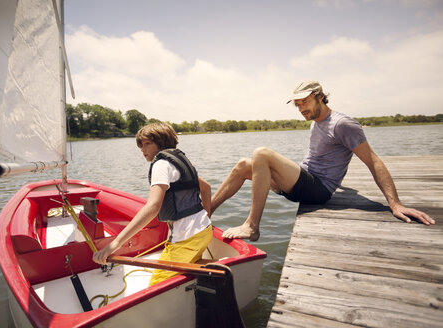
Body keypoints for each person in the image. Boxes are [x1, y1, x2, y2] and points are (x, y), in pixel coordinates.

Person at [211, 80, 435, 241]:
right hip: (302, 182)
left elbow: (373, 161)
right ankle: (206, 212)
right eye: (297, 104)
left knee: (261, 152)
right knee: (242, 165)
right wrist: (347, 189)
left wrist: (395, 204)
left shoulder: (342, 124)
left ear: (320, 96)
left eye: (305, 102)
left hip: (318, 190)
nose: (301, 109)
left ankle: (252, 226)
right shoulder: (316, 122)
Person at [93, 122, 212, 285]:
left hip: (187, 237)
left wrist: (114, 245)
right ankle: (223, 264)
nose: (142, 149)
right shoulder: (179, 160)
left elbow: (153, 207)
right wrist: (205, 218)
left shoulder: (161, 164)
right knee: (186, 265)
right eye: (140, 145)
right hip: (203, 231)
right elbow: (206, 188)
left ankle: (223, 267)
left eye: (147, 143)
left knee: (156, 285)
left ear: (162, 142)